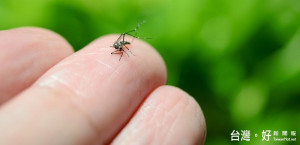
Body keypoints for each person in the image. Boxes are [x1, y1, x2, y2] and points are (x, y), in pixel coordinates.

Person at [0, 27, 206, 145]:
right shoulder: (116, 49)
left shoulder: (121, 46)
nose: (120, 48)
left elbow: (121, 47)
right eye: (120, 47)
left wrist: (127, 49)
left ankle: (136, 38)